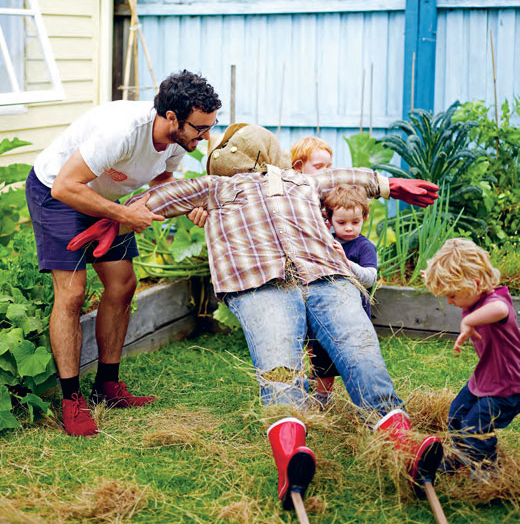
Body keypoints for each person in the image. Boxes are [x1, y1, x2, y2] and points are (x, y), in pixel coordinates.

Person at [69, 123, 443, 508]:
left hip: (328, 277)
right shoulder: (216, 188)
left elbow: (342, 176)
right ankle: (291, 458)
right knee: (280, 369)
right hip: (260, 285)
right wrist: (114, 218)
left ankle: (403, 447)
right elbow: (165, 195)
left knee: (362, 355)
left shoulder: (301, 183)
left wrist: (390, 185)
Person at [25, 69, 222, 437]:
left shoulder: (180, 141)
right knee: (72, 293)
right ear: (171, 118)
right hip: (57, 192)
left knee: (123, 285)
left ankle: (108, 386)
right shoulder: (123, 131)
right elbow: (67, 187)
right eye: (200, 127)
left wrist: (191, 204)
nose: (206, 136)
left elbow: (163, 179)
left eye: (210, 126)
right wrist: (124, 214)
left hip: (103, 199)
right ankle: (71, 400)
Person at [423, 238, 520, 475]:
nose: (449, 301)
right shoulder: (473, 295)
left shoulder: (496, 301)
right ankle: (464, 455)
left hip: (508, 386)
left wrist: (468, 321)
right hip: (486, 378)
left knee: (475, 427)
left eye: (453, 295)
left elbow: (501, 310)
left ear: (475, 284)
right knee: (456, 415)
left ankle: (488, 475)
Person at [311, 184, 378, 408]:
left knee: (355, 356)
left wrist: (346, 263)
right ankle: (322, 397)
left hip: (354, 313)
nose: (349, 228)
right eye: (341, 223)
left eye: (355, 222)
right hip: (325, 309)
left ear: (364, 218)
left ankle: (364, 398)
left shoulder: (364, 246)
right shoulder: (326, 241)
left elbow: (369, 277)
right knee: (320, 355)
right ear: (329, 220)